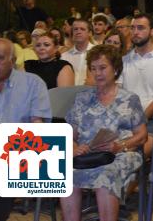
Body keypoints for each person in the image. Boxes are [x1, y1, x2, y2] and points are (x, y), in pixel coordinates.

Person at [60, 44, 147, 221]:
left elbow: (142, 136)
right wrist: (73, 147)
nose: (97, 73)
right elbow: (70, 133)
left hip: (120, 153)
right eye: (93, 69)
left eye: (102, 68)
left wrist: (119, 146)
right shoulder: (82, 98)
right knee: (64, 174)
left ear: (115, 69)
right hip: (87, 154)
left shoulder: (129, 99)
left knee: (105, 175)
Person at [0, 38, 51, 221]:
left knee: (6, 175)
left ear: (13, 60)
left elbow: (38, 130)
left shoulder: (33, 84)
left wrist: (3, 156)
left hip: (22, 148)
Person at [119, 14, 153, 155]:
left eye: (141, 28)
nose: (135, 32)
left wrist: (138, 120)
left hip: (152, 121)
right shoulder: (122, 61)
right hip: (123, 120)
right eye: (133, 28)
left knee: (130, 153)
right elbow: (117, 94)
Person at [61, 19, 95, 85]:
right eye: (75, 29)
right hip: (70, 93)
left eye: (82, 29)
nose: (78, 32)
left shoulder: (99, 53)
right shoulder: (64, 57)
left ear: (90, 33)